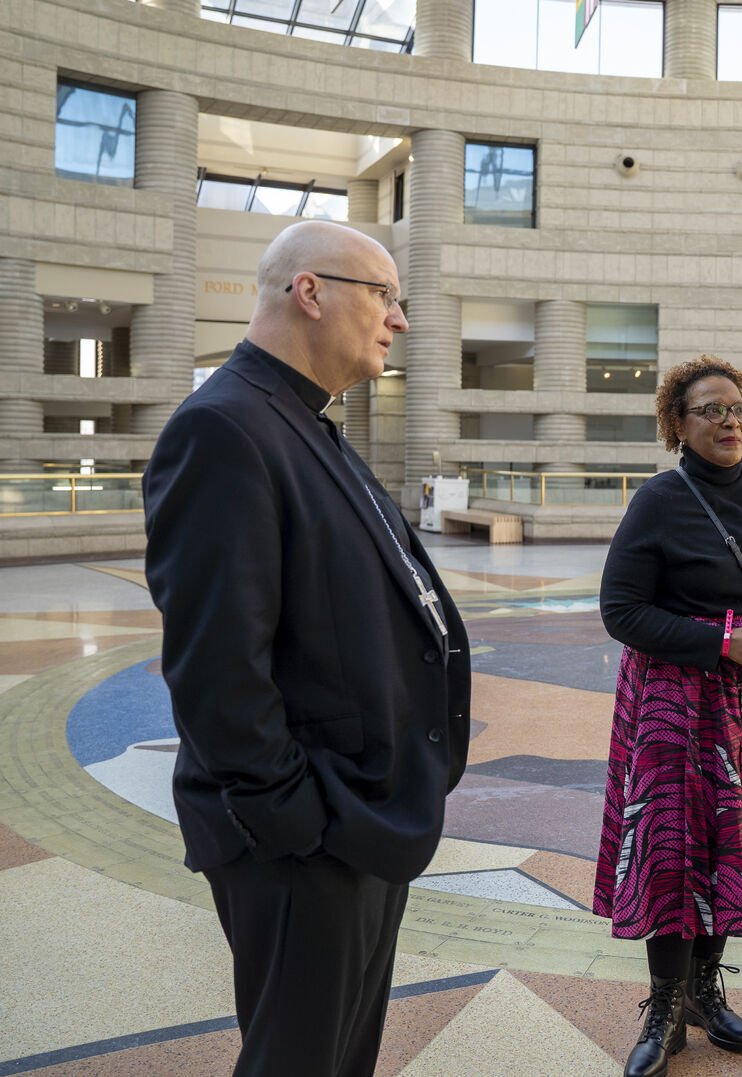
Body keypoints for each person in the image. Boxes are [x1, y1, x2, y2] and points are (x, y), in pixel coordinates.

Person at [142, 220, 472, 1077]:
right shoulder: (225, 428)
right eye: (386, 296)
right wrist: (296, 821)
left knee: (337, 1056)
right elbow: (218, 665)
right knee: (300, 1059)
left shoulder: (303, 419)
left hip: (356, 814)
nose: (399, 320)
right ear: (310, 291)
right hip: (304, 836)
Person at [595, 355, 742, 1077]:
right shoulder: (658, 501)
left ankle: (702, 988)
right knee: (673, 849)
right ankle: (664, 1004)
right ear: (678, 425)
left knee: (732, 844)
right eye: (712, 410)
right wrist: (724, 640)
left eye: (738, 408)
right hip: (674, 705)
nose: (730, 421)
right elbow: (621, 610)